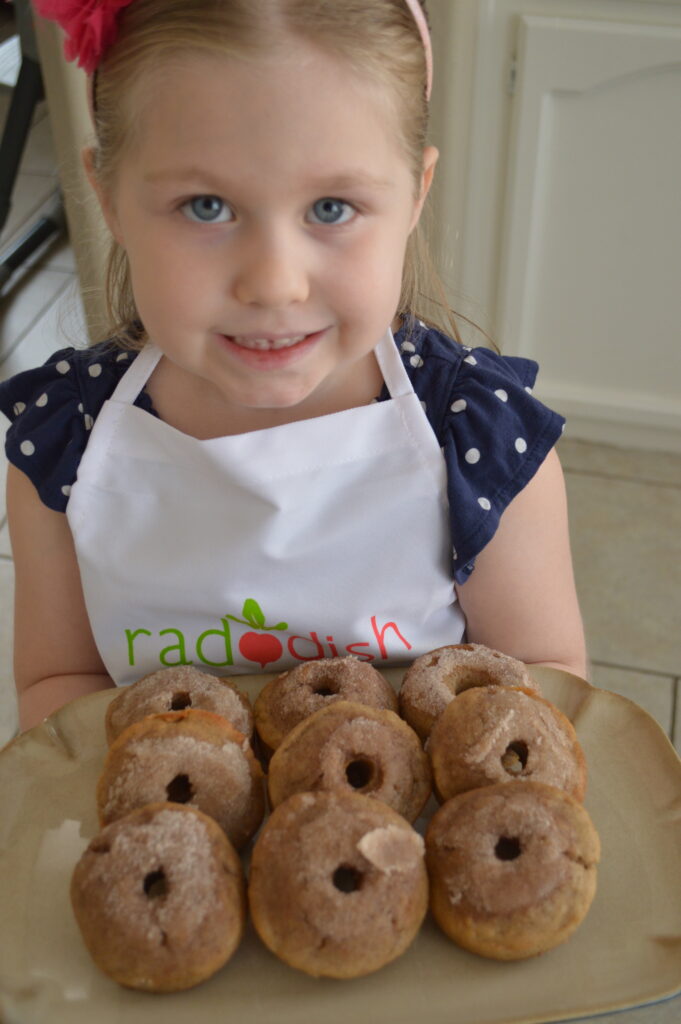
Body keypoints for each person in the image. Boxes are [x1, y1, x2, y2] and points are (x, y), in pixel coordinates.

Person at [0, 0, 586, 733]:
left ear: (413, 197)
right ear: (109, 199)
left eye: (332, 208)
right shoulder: (63, 444)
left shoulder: (479, 437)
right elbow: (61, 683)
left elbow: (542, 683)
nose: (275, 282)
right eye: (206, 206)